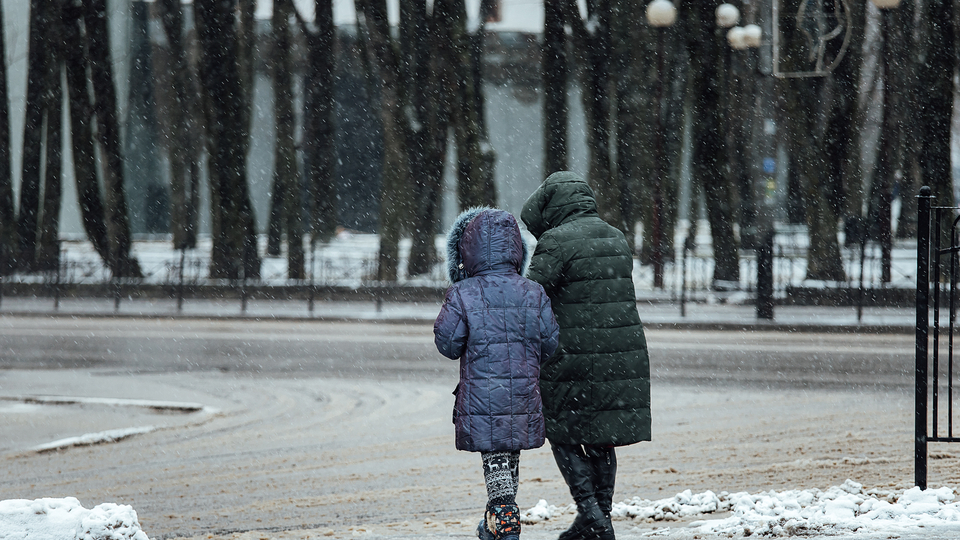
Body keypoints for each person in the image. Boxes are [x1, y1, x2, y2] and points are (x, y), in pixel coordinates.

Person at [520, 171, 651, 540]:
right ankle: (598, 518)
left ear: (552, 205)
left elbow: (532, 297)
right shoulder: (616, 236)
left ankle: (592, 515)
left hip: (573, 355)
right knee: (601, 437)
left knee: (561, 430)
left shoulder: (556, 242)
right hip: (621, 354)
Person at [434, 207, 560, 540]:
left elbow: (448, 344)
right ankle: (493, 522)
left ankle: (506, 522)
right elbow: (550, 343)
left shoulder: (463, 293)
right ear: (516, 250)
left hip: (482, 396)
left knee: (496, 456)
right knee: (508, 453)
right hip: (523, 394)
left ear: (466, 253)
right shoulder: (532, 292)